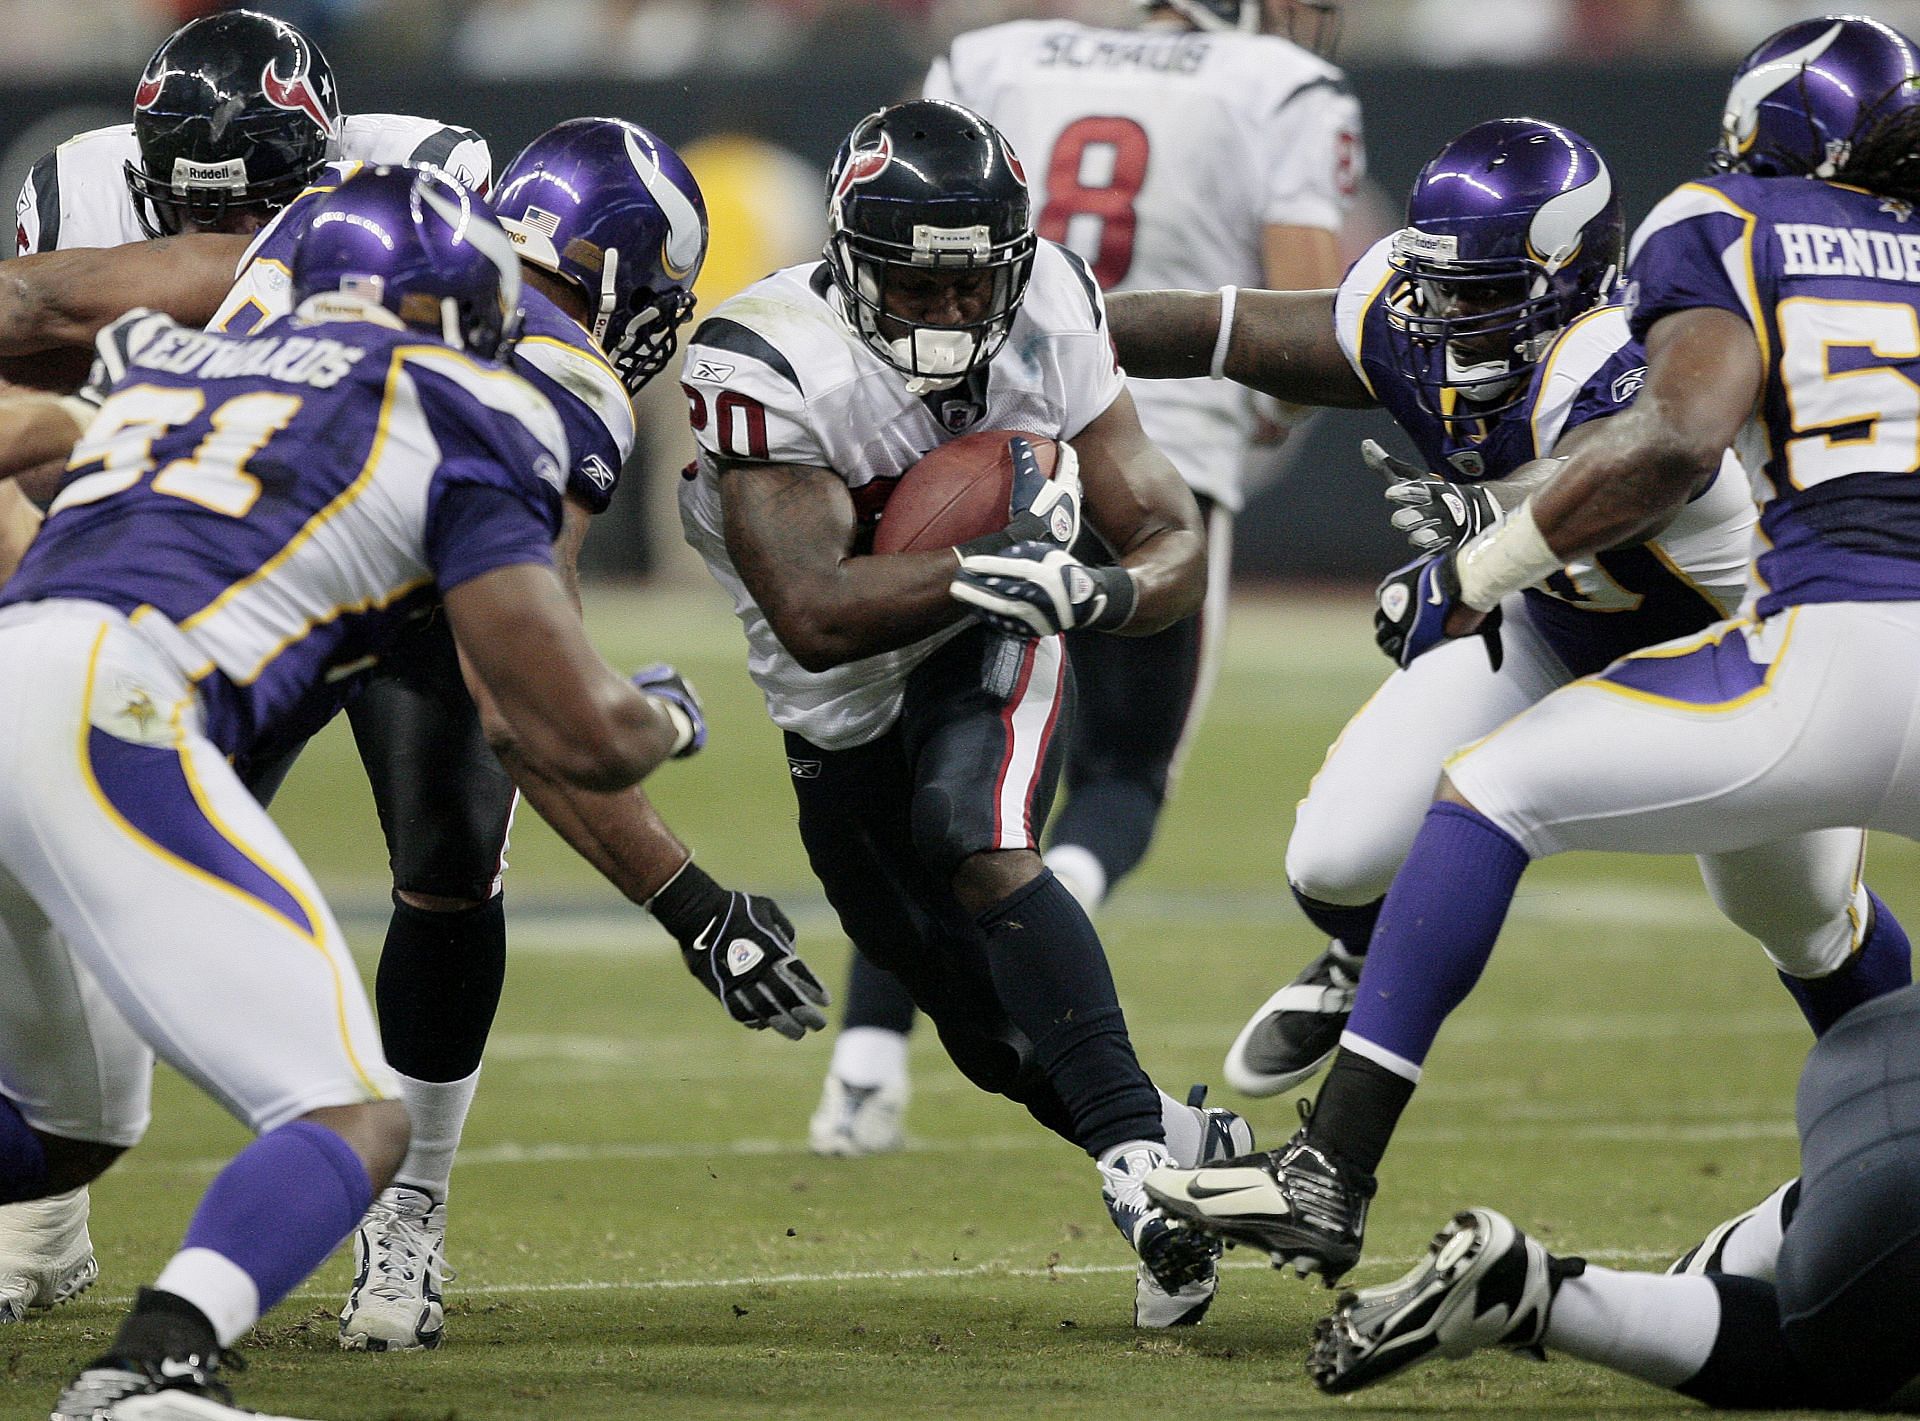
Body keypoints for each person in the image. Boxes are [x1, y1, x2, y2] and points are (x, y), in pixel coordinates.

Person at [0, 120, 829, 1354]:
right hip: (150, 682)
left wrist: (84, 456)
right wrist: (683, 849)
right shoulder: (514, 391)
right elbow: (540, 712)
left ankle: (220, 1238)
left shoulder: (220, 303)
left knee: (89, 1105)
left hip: (77, 638)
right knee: (343, 1099)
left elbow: (31, 321)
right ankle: (158, 1361)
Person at [1141, 13, 1920, 1286]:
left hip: (1745, 645)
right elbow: (1236, 327)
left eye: (1481, 294)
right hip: (1563, 637)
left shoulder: (1694, 257)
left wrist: (1481, 544)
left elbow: (1654, 454)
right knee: (1336, 849)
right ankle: (1358, 961)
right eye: (1432, 289)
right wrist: (1055, 325)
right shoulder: (1425, 305)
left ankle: (1331, 1160)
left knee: (1784, 911)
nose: (1446, 319)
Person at [678, 98, 1248, 1328]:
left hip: (988, 627)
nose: (948, 314)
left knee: (972, 830)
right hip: (838, 685)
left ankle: (1141, 1180)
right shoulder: (769, 350)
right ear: (847, 264)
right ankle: (1192, 1146)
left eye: (968, 286)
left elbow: (1168, 535)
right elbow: (815, 613)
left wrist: (1096, 592)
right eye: (914, 287)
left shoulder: (1051, 302)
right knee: (979, 1026)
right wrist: (993, 560)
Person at [805, 0, 1365, 1160]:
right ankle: (1050, 976)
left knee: (923, 754)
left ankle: (862, 1068)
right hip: (1154, 439)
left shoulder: (998, 51)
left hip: (963, 431)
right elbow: (1314, 308)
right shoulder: (1277, 80)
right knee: (1121, 773)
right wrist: (1260, 420)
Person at [1307, 984, 1920, 1408]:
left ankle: (1695, 1275)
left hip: (1870, 1047)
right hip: (1891, 1199)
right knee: (1850, 1352)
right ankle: (1537, 1296)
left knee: (1861, 1200)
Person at [16, 8, 488, 256]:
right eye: (188, 206)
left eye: (258, 203)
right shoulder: (76, 192)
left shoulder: (420, 170)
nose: (217, 237)